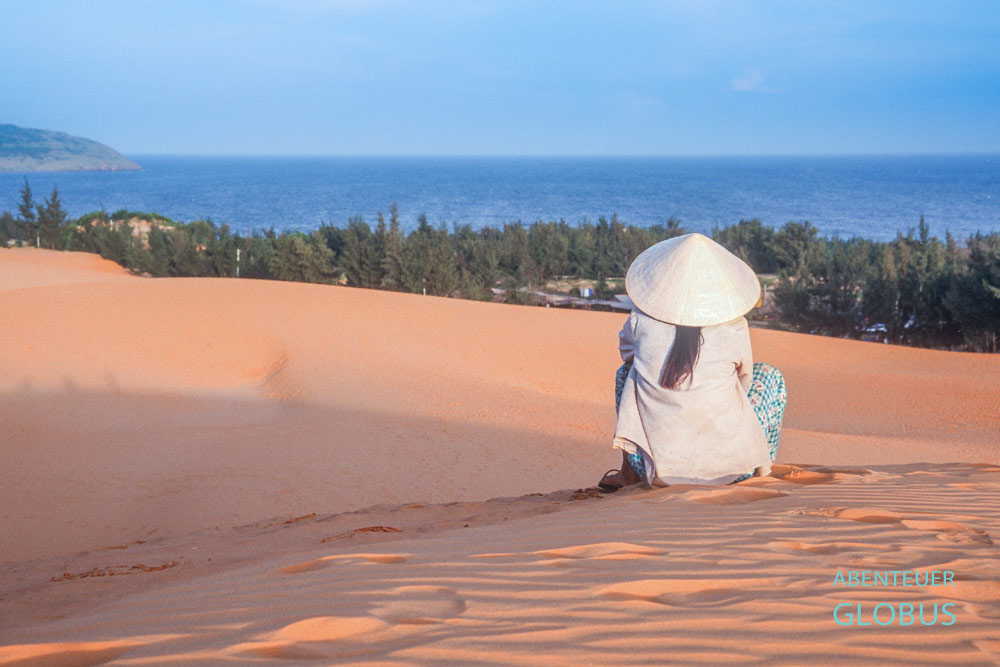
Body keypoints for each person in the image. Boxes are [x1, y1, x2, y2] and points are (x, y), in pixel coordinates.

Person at [597, 233, 787, 491]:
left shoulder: (640, 321)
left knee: (626, 373)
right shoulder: (735, 327)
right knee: (769, 375)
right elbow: (745, 380)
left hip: (651, 467)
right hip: (736, 470)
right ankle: (762, 468)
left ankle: (628, 472)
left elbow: (626, 353)